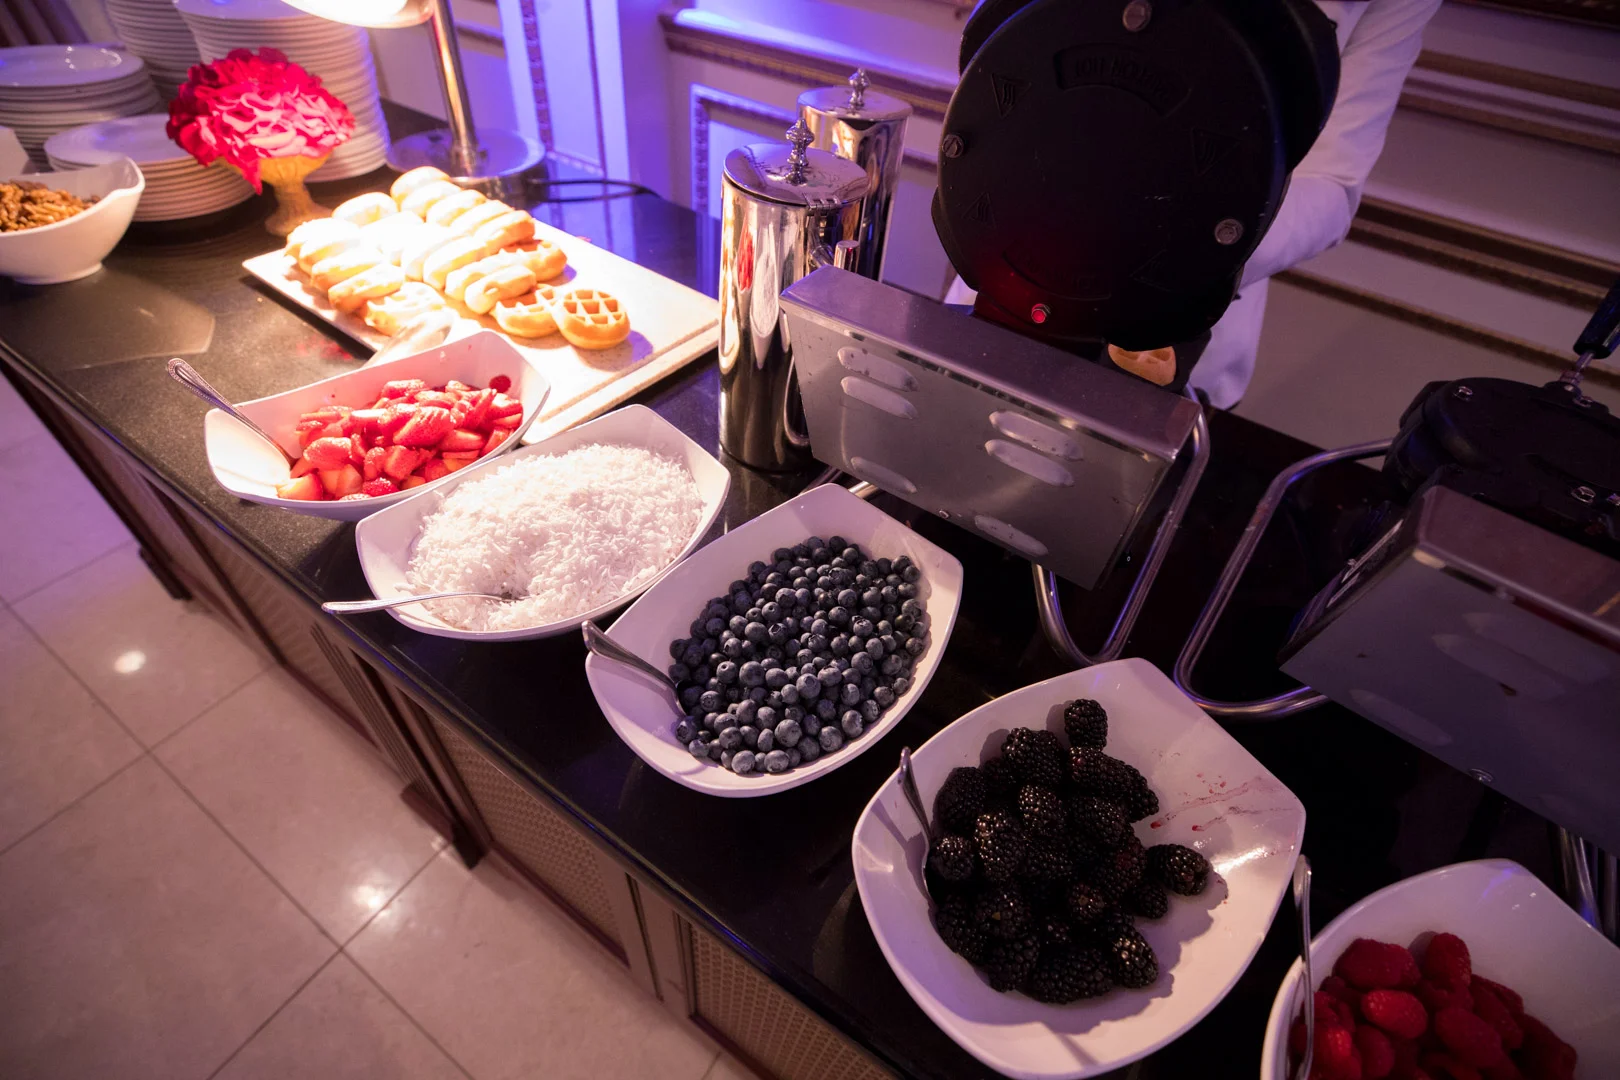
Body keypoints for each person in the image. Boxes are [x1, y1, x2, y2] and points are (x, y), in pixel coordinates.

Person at [945, 0, 1444, 408]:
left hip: (1179, 334)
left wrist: (1193, 256)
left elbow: (1334, 183)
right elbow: (1008, 54)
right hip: (1003, 282)